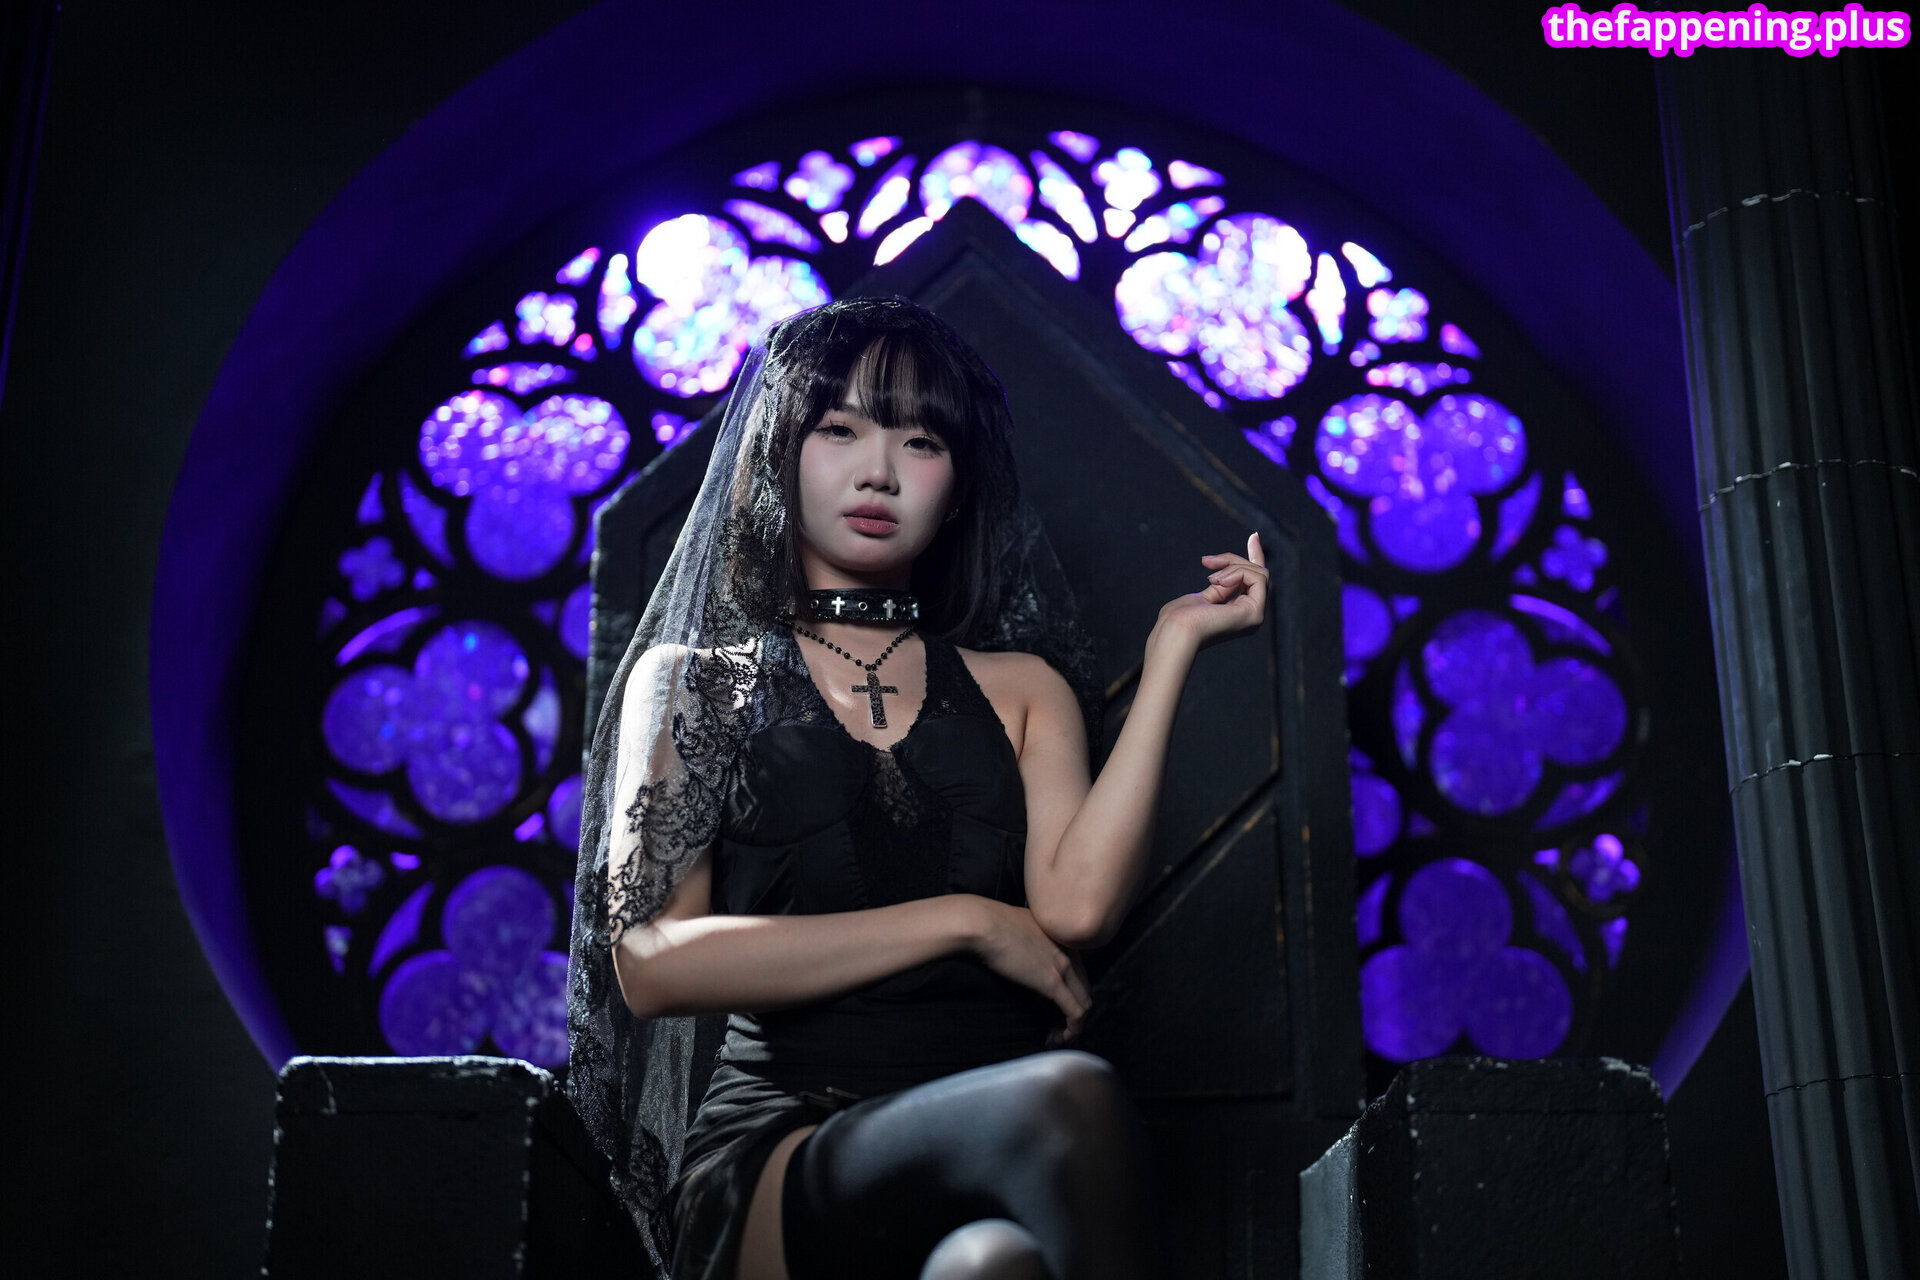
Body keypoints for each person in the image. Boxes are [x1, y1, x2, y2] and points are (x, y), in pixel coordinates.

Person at [566, 296, 1269, 1280]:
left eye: (921, 440)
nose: (879, 471)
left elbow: (1077, 908)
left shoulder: (1022, 689)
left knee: (991, 1265)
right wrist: (967, 921)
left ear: (958, 483)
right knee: (1068, 1093)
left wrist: (1172, 652)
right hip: (792, 1139)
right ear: (779, 452)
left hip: (998, 1116)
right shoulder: (698, 683)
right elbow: (650, 963)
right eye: (840, 428)